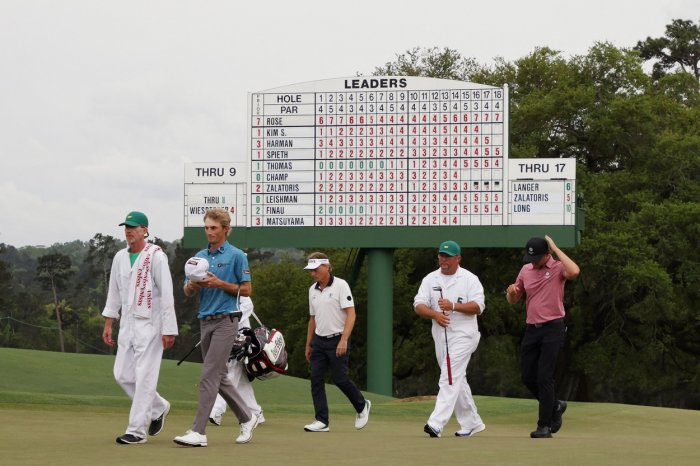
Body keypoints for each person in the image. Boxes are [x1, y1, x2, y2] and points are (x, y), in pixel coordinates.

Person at [173, 208, 258, 447]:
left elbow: (247, 290)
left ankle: (198, 432)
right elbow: (187, 290)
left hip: (227, 320)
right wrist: (193, 286)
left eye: (214, 228)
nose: (209, 232)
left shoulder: (237, 255)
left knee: (208, 375)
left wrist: (219, 283)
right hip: (205, 320)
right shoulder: (199, 257)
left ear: (225, 229)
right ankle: (248, 417)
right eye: (207, 228)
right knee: (219, 376)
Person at [102, 211, 178, 445]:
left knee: (144, 376)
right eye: (126, 227)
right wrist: (108, 322)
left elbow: (167, 294)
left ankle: (136, 431)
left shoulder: (156, 256)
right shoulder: (119, 257)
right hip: (127, 324)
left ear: (145, 230)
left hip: (151, 325)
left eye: (134, 227)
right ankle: (158, 407)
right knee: (122, 375)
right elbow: (114, 292)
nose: (129, 231)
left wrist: (169, 328)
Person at [505, 235, 580, 438]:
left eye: (537, 257)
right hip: (532, 329)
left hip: (553, 328)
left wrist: (555, 247)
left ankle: (544, 426)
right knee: (528, 377)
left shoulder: (557, 268)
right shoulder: (525, 270)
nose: (532, 262)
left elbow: (574, 271)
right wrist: (511, 292)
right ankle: (555, 405)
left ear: (547, 255)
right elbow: (514, 298)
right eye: (530, 257)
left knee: (544, 377)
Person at [414, 240, 486, 438]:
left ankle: (436, 423)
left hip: (464, 334)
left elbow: (478, 307)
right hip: (440, 334)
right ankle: (472, 422)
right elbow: (418, 305)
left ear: (458, 258)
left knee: (449, 376)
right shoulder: (430, 279)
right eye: (441, 255)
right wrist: (435, 315)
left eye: (447, 256)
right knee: (456, 377)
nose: (443, 260)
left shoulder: (470, 279)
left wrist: (453, 306)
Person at [303, 252, 371, 432]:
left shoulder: (341, 285)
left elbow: (351, 314)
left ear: (327, 267)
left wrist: (344, 339)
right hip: (319, 341)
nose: (313, 273)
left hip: (338, 339)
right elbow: (312, 318)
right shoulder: (312, 290)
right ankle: (321, 420)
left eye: (316, 269)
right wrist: (308, 343)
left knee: (340, 379)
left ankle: (362, 405)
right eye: (311, 270)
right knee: (315, 379)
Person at [208, 296, 265, 427]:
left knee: (229, 374)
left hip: (240, 340)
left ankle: (216, 410)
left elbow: (246, 306)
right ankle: (255, 412)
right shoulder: (220, 294)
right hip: (228, 338)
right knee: (241, 380)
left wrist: (223, 320)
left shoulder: (241, 295)